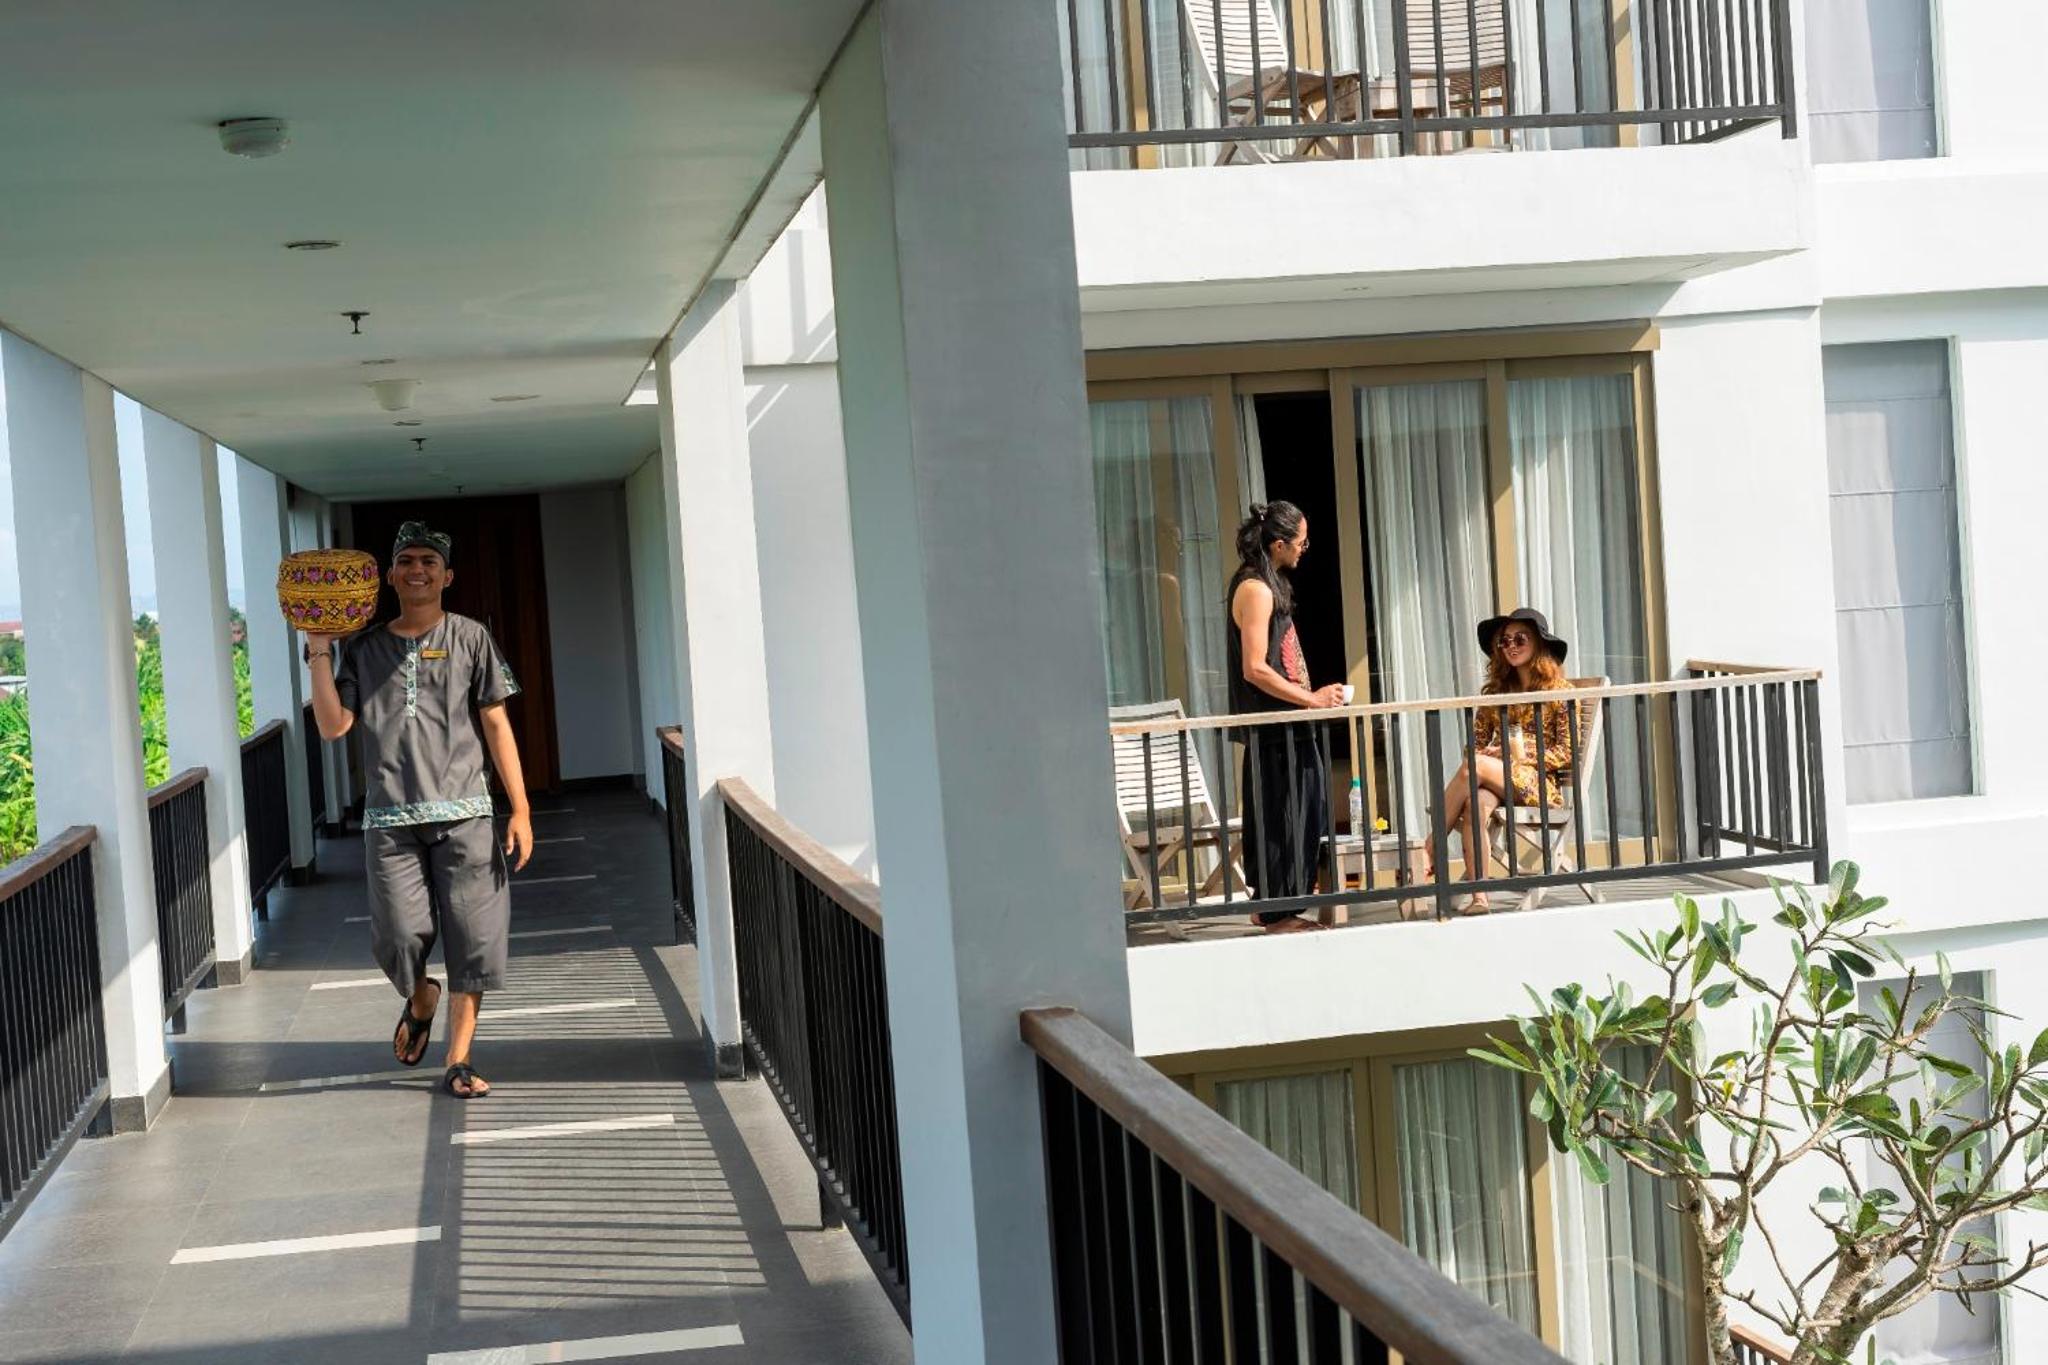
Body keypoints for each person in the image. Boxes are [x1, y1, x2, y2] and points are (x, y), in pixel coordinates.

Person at [305, 522, 533, 1099]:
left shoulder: (471, 637)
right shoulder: (364, 649)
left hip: (466, 813)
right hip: (390, 821)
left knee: (473, 939)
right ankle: (419, 994)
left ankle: (458, 1060)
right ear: (390, 575)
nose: (417, 570)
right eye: (406, 561)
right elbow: (333, 726)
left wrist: (521, 809)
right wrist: (319, 650)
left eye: (429, 561)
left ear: (447, 575)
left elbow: (496, 723)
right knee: (399, 935)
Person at [1227, 502, 1347, 934]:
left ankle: (1277, 908)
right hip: (1276, 731)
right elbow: (1255, 668)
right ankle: (1277, 914)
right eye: (1301, 542)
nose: (1304, 550)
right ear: (1278, 544)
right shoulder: (1256, 590)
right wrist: (1312, 700)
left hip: (1289, 727)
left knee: (1303, 813)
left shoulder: (1266, 584)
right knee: (1284, 818)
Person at [1420, 607, 1574, 917]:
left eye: (1520, 639)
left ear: (1539, 643)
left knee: (1476, 766)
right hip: (1497, 780)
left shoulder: (1560, 692)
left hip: (1538, 784)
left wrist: (1515, 755)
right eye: (1505, 641)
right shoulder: (1497, 693)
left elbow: (1565, 752)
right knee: (1475, 803)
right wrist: (1492, 754)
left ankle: (1428, 851)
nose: (1511, 646)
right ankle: (1480, 897)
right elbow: (1474, 749)